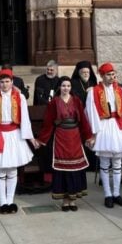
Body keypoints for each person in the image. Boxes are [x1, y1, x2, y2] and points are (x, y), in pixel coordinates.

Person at [0, 68, 38, 213]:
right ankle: (2, 202)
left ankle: (11, 201)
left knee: (12, 170)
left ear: (12, 82)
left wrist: (30, 138)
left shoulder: (20, 97)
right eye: (2, 82)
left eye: (7, 81)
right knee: (0, 170)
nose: (5, 85)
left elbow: (25, 119)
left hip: (14, 135)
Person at [37, 76, 93, 211]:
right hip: (61, 137)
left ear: (71, 88)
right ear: (59, 87)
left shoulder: (77, 101)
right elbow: (48, 123)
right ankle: (64, 201)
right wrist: (41, 140)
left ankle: (73, 200)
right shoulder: (54, 103)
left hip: (75, 137)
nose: (66, 88)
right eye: (63, 86)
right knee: (62, 169)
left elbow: (84, 121)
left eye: (68, 86)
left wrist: (88, 137)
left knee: (75, 168)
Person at [85, 62, 122, 208]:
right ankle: (107, 194)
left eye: (113, 74)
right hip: (104, 127)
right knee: (105, 163)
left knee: (118, 162)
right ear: (102, 76)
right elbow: (91, 113)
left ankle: (116, 193)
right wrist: (94, 133)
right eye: (109, 74)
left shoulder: (121, 91)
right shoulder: (93, 92)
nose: (112, 77)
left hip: (118, 126)